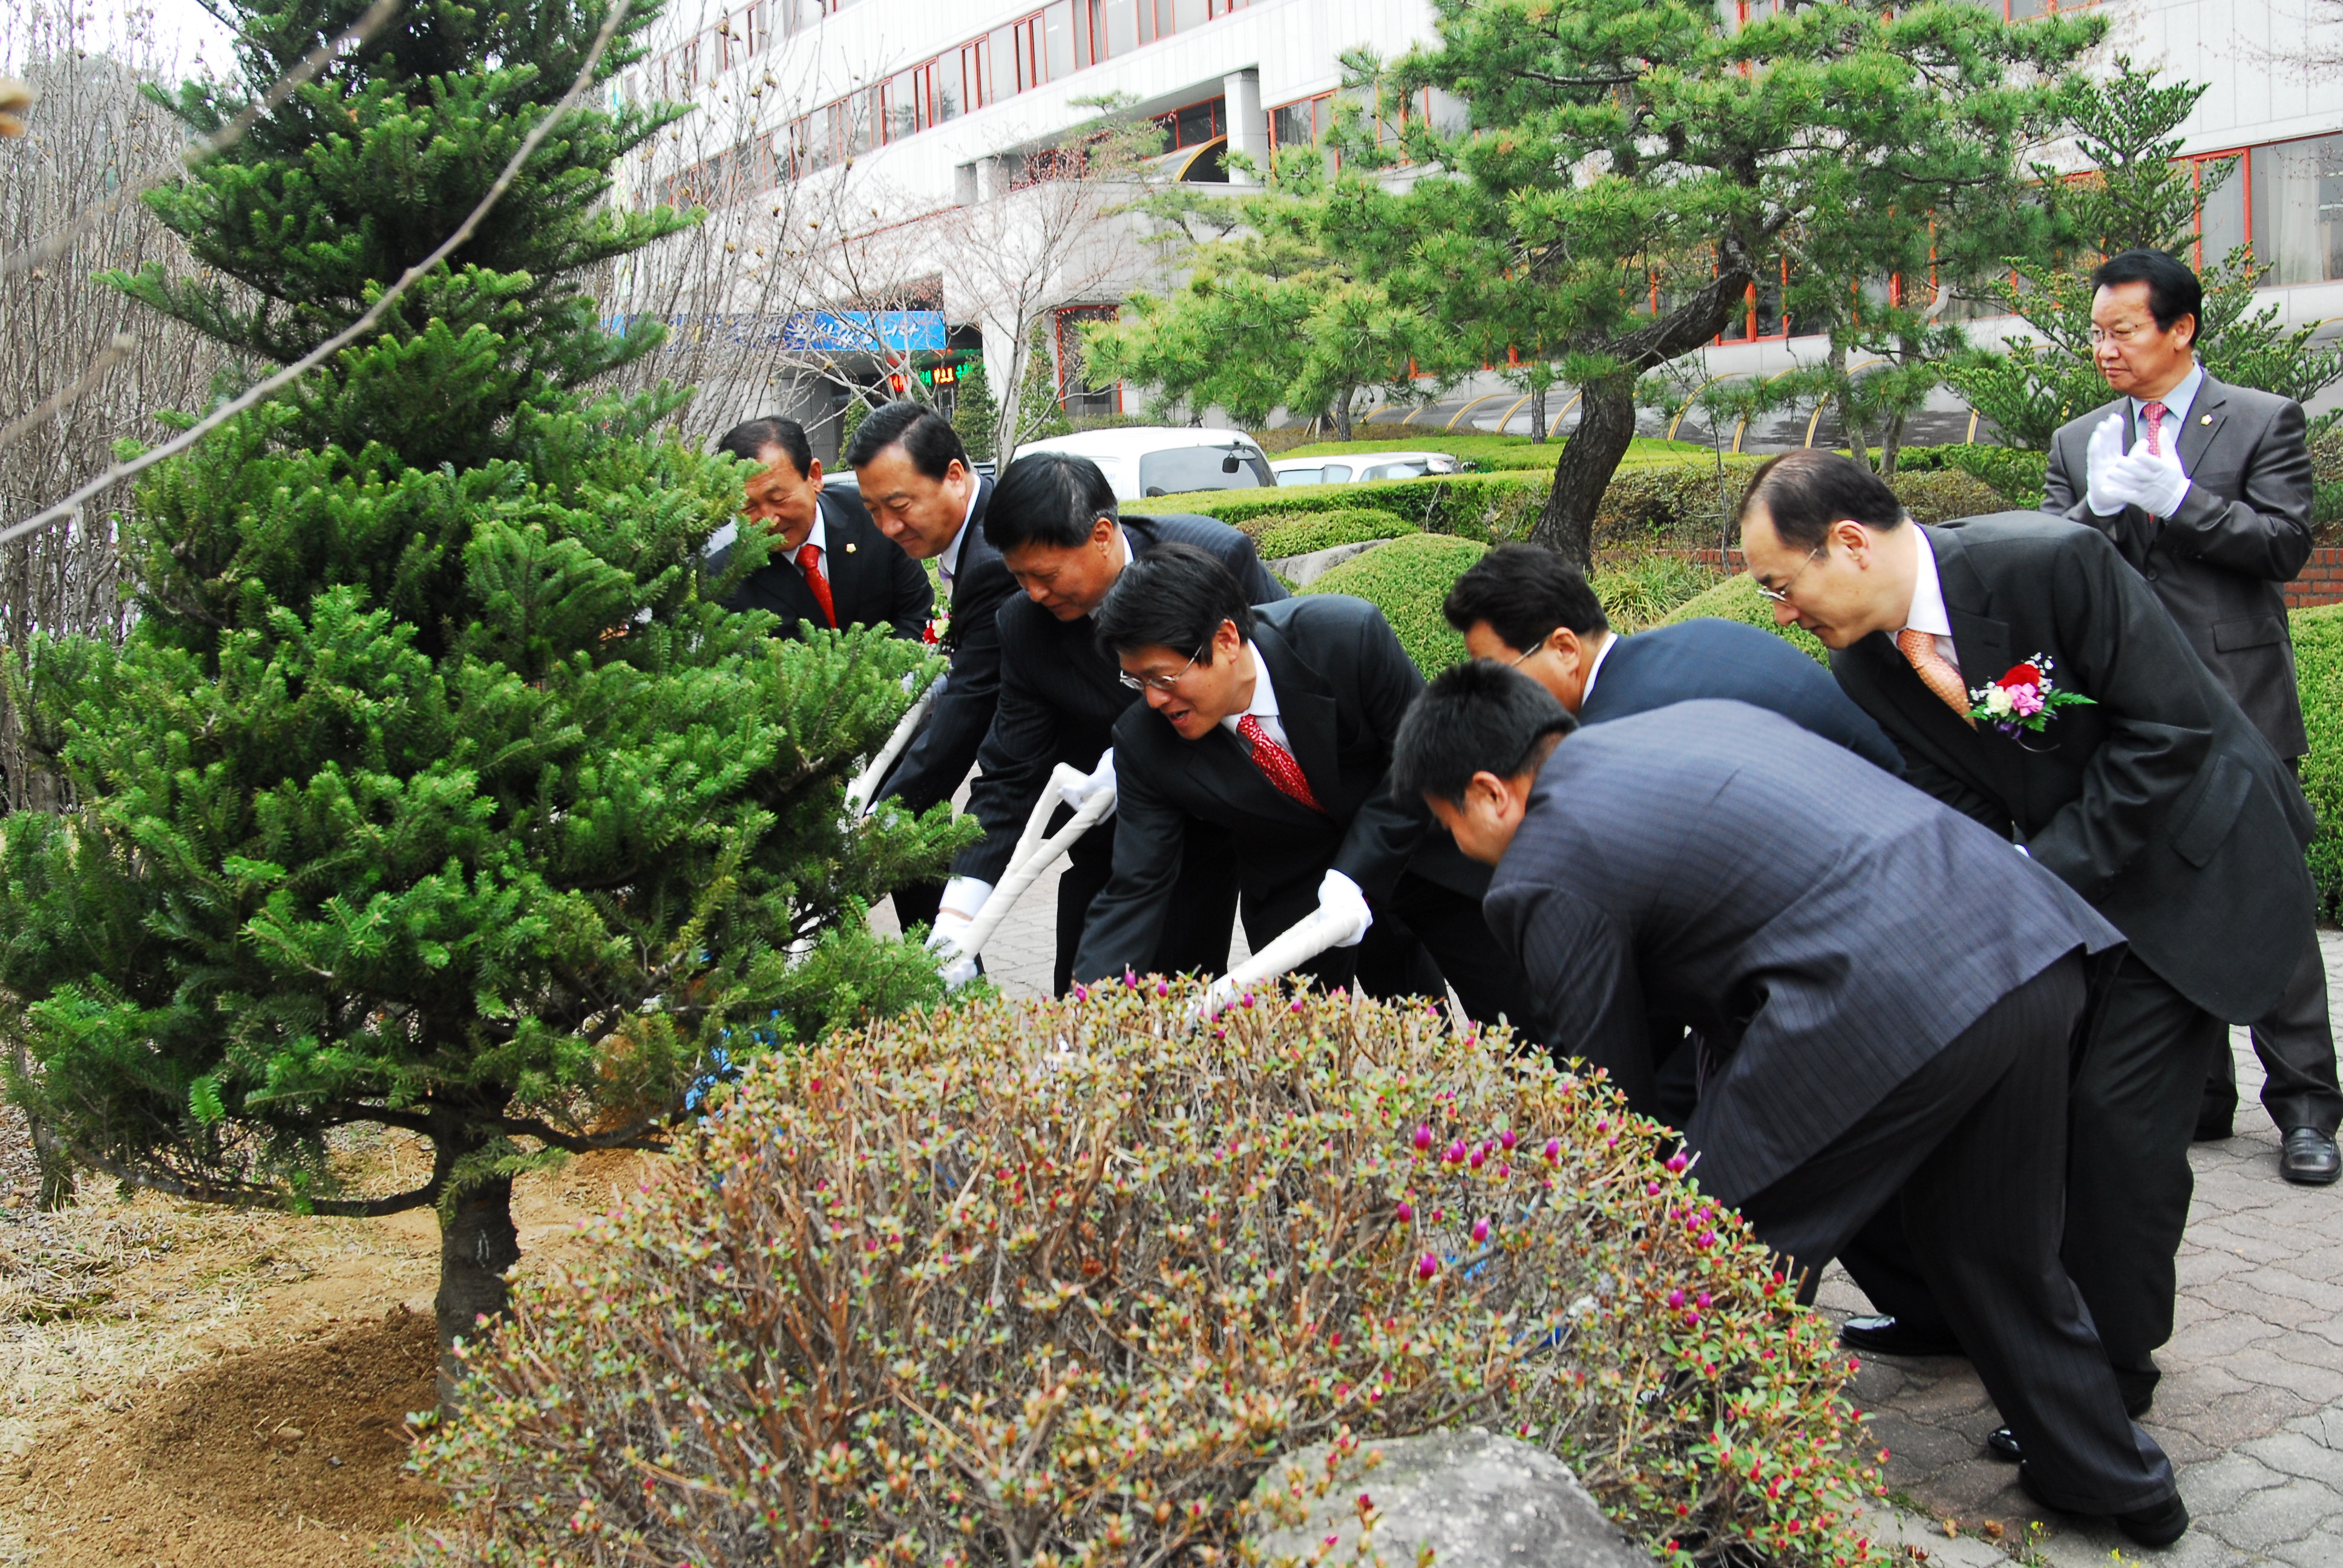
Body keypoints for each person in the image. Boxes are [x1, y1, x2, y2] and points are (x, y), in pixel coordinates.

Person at [1391, 665, 2186, 1547]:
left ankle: (1695, 1511)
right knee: (1998, 1249)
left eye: (1445, 822)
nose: (1454, 845)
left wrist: (1604, 1223)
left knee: (1707, 1260)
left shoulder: (1542, 867)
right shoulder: (1690, 712)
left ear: (1489, 791)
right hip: (2023, 945)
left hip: (1884, 1002)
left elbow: (1608, 1106)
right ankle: (2124, 1487)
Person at [1738, 448, 2317, 1445]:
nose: (1782, 612)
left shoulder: (2049, 562)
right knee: (2023, 1113)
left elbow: (2169, 737)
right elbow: (1955, 791)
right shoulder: (1866, 658)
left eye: (1780, 586)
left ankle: (2104, 1381)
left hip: (2191, 864)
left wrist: (2035, 878)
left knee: (2112, 1128)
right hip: (2083, 881)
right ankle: (1987, 1324)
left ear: (1846, 543)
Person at [2040, 247, 2341, 1184]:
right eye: (2097, 331)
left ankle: (2306, 1109)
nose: (2106, 348)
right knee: (2153, 902)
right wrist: (2089, 513)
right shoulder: (2079, 437)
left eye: (2124, 330)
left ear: (2181, 329)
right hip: (2127, 716)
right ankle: (2200, 1095)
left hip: (2235, 706)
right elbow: (2052, 571)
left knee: (2270, 908)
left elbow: (2285, 545)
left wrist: (2181, 503)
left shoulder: (2258, 420)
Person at [1073, 544, 1533, 1030]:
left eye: (1163, 677)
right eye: (1136, 680)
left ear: (1226, 639)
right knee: (1297, 1057)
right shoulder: (1144, 742)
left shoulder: (1345, 638)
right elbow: (1135, 889)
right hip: (1296, 892)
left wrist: (1353, 875)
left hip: (1422, 851)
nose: (1154, 699)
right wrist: (1087, 1017)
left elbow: (1424, 758)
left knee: (1527, 1029)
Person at [933, 453, 1288, 994]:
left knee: (1302, 981)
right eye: (1020, 576)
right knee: (1089, 1000)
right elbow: (1010, 776)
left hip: (1254, 808)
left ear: (1102, 535)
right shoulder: (1026, 625)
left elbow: (1275, 686)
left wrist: (1143, 754)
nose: (1034, 593)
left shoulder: (1214, 557)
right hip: (1125, 839)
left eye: (1046, 575)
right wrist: (960, 915)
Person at [1442, 543, 1903, 769]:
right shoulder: (1705, 635)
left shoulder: (1607, 746)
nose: (1495, 697)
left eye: (1499, 675)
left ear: (1564, 648)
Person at [842, 403, 1019, 935]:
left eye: (899, 505)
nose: (888, 527)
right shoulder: (970, 535)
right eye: (872, 510)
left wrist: (883, 817)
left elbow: (972, 700)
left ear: (955, 476)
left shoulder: (992, 556)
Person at [706, 416, 931, 641]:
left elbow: (916, 613)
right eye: (749, 507)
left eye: (778, 498)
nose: (769, 519)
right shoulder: (726, 577)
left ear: (814, 476)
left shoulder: (872, 518)